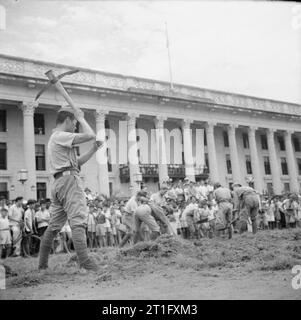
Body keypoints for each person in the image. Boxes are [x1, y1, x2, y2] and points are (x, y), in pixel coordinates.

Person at [38, 106, 103, 272]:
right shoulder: (60, 136)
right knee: (78, 220)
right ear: (67, 120)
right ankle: (86, 264)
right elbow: (90, 135)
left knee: (53, 226)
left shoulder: (56, 138)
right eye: (74, 123)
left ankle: (42, 266)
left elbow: (77, 163)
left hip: (60, 181)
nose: (75, 126)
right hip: (69, 181)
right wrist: (81, 117)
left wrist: (93, 149)